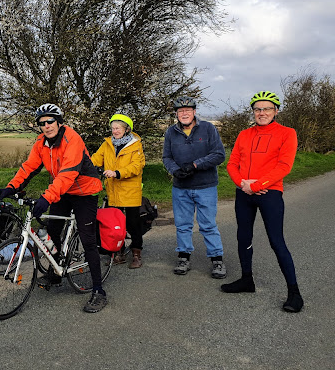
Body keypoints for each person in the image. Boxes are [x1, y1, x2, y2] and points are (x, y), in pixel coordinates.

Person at [0, 103, 107, 313]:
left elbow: (67, 173)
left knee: (88, 239)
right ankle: (56, 272)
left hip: (85, 191)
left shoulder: (72, 139)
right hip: (64, 190)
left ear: (59, 122)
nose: (46, 126)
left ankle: (98, 291)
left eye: (50, 121)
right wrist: (11, 187)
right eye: (42, 123)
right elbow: (29, 167)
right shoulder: (41, 143)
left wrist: (46, 197)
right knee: (53, 230)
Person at [221, 91, 303, 312]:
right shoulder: (244, 134)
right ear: (253, 112)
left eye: (267, 108)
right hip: (244, 193)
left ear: (276, 111)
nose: (262, 113)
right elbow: (232, 164)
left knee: (277, 241)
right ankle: (247, 279)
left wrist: (256, 185)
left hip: (270, 193)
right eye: (258, 109)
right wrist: (242, 184)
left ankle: (294, 293)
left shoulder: (287, 133)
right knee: (243, 237)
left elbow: (284, 166)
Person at [162, 96, 227, 278]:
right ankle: (184, 257)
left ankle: (217, 260)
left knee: (208, 225)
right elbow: (166, 157)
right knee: (183, 225)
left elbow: (219, 155)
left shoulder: (207, 128)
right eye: (181, 111)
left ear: (194, 112)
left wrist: (195, 165)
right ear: (176, 114)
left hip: (205, 185)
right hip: (181, 187)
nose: (184, 113)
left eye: (188, 110)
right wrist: (174, 170)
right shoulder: (171, 132)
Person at [91, 114, 146, 268]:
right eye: (113, 128)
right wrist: (85, 166)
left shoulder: (136, 145)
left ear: (126, 129)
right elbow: (95, 159)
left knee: (132, 223)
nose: (115, 131)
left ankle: (136, 254)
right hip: (113, 191)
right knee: (115, 225)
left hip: (130, 191)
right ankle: (118, 251)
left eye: (118, 128)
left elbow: (136, 166)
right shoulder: (107, 144)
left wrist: (117, 173)